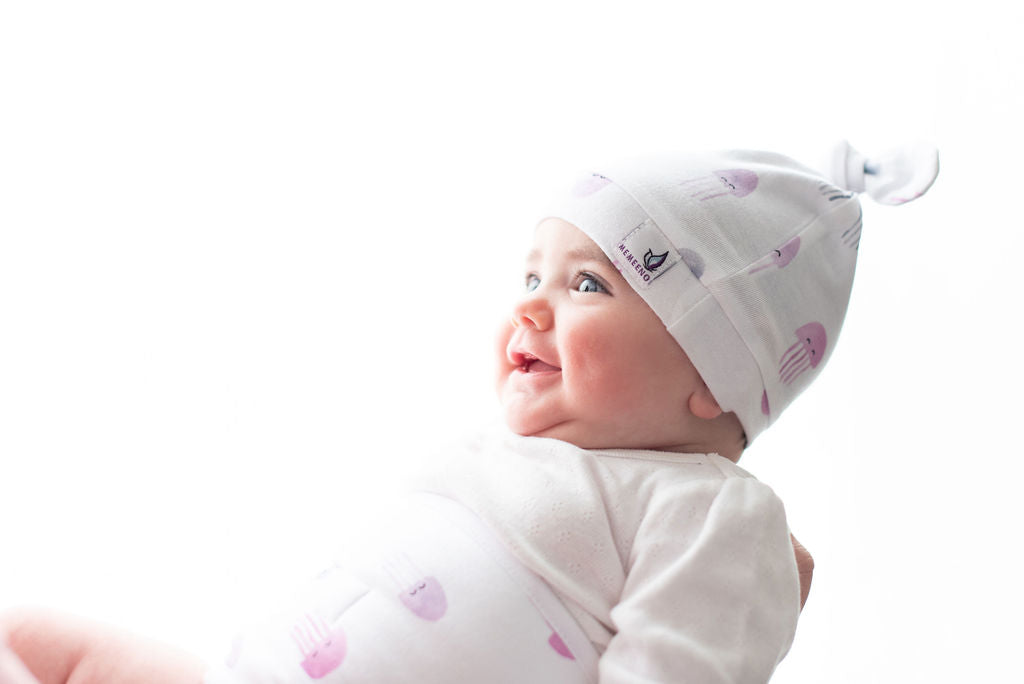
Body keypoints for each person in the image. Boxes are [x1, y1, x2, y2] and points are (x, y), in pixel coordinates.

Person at [0, 141, 937, 683]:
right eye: (531, 275)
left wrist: (758, 577)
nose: (531, 306)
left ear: (713, 376)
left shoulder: (710, 511)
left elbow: (678, 669)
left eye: (585, 285)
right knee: (36, 641)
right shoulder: (497, 455)